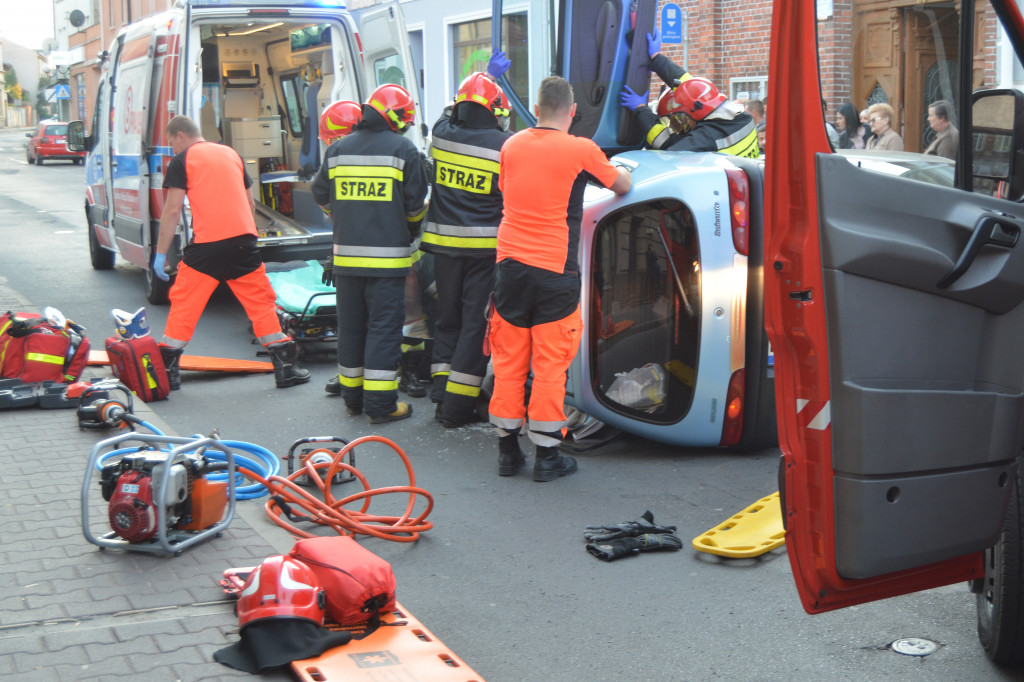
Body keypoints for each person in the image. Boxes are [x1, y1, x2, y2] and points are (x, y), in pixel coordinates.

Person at [491, 76, 631, 481]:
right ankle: (547, 456)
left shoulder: (511, 145)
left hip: (510, 267)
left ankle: (506, 452)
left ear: (536, 110)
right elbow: (622, 185)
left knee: (509, 359)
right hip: (555, 270)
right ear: (572, 112)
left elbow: (509, 191)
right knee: (550, 365)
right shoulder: (581, 149)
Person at [152, 115, 309, 390]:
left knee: (185, 302)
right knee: (260, 303)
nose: (173, 150)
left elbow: (173, 210)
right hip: (243, 241)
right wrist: (247, 237)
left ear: (180, 136)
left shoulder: (182, 160)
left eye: (171, 144)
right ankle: (285, 367)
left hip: (207, 247)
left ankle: (168, 369)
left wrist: (159, 254)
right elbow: (249, 201)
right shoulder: (231, 154)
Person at [312, 84, 428, 424]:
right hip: (387, 262)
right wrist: (407, 230)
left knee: (351, 328)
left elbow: (321, 194)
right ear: (395, 118)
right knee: (382, 330)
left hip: (346, 262)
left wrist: (343, 216)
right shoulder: (403, 150)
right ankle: (381, 406)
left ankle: (354, 399)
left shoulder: (338, 150)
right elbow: (415, 208)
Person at [422, 56, 516, 429]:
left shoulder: (442, 134)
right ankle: (457, 409)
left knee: (447, 318)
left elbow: (449, 112)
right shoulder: (505, 145)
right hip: (484, 250)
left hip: (443, 247)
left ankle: (441, 389)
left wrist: (485, 78)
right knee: (475, 325)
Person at [619, 29, 759, 158]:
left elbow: (667, 147)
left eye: (681, 118)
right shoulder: (741, 117)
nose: (680, 124)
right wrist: (656, 58)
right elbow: (689, 87)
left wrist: (641, 110)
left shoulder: (705, 138)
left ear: (692, 113)